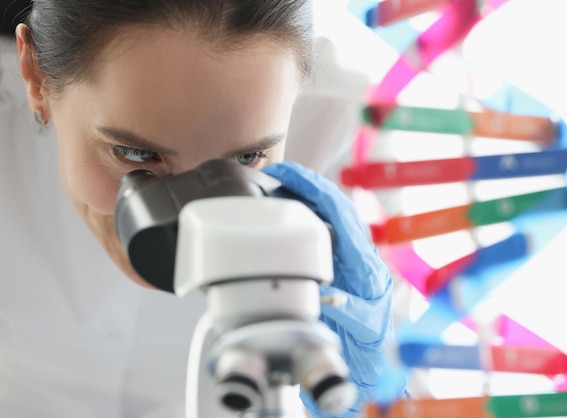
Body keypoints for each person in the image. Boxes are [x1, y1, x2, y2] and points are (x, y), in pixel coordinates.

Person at [0, 1, 406, 417]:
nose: (188, 220)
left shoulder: (358, 132)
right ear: (36, 75)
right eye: (136, 153)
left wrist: (370, 399)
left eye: (246, 158)